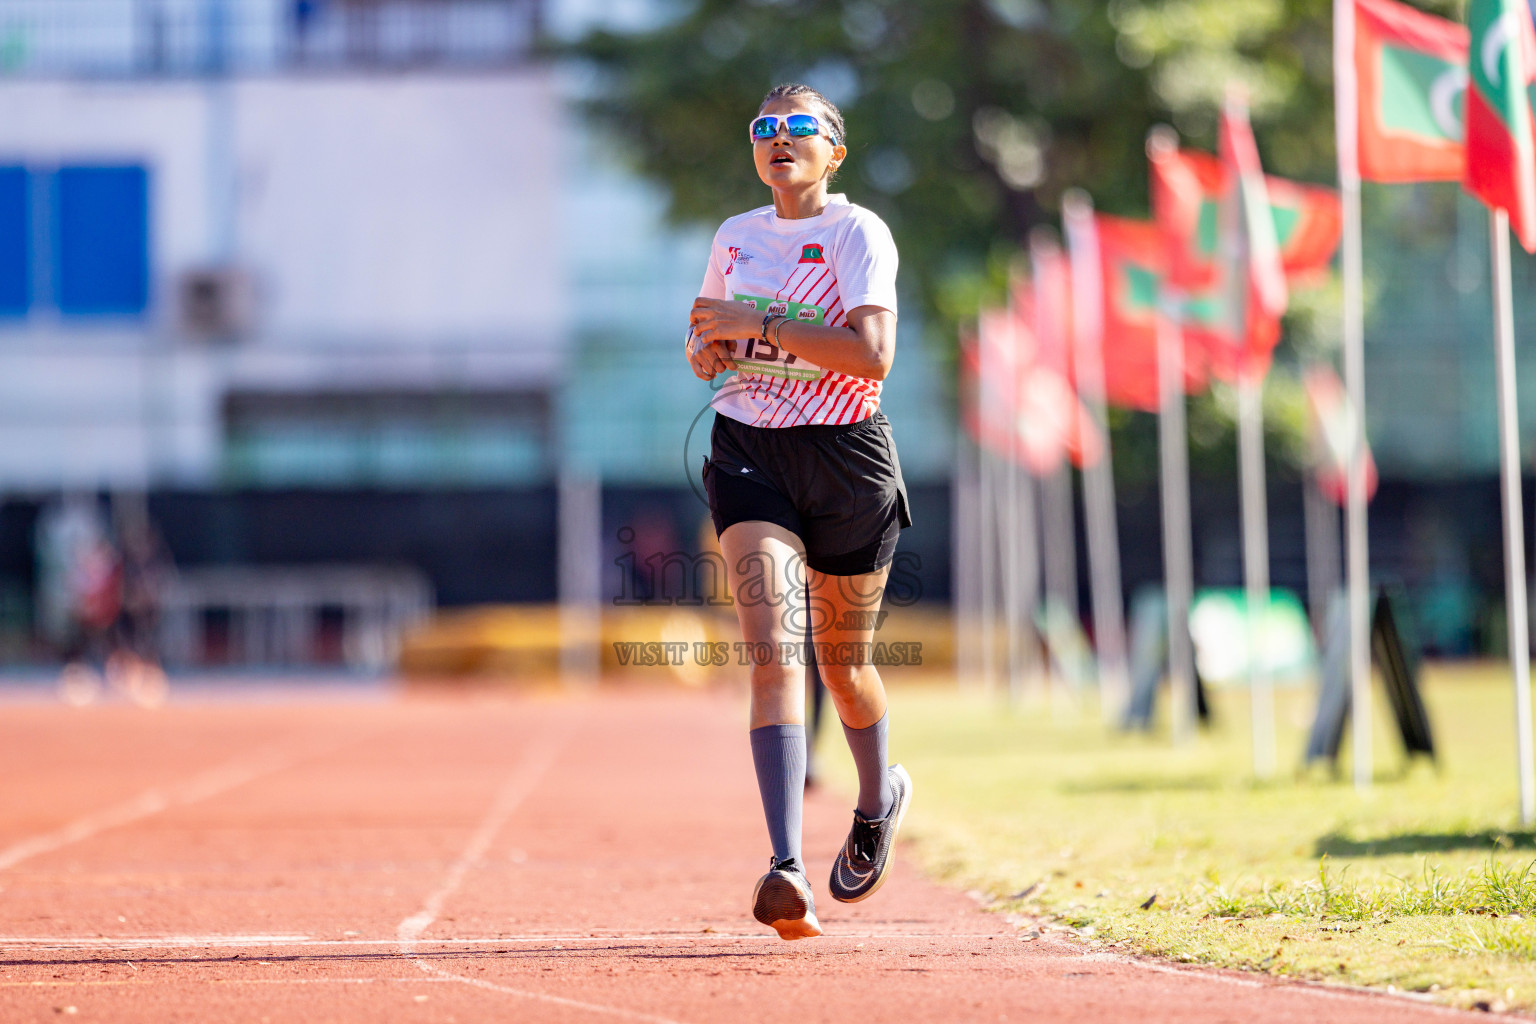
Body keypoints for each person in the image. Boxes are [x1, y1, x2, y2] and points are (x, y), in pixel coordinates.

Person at [685, 83, 914, 940]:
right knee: (774, 649)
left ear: (834, 152)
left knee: (841, 665)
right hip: (750, 452)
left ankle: (876, 798)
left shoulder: (858, 232)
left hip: (849, 458)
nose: (779, 141)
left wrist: (763, 321)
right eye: (764, 129)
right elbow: (705, 342)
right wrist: (709, 345)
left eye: (798, 129)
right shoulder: (735, 238)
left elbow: (871, 356)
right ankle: (784, 867)